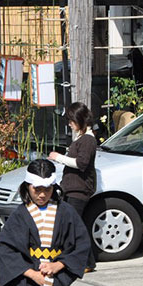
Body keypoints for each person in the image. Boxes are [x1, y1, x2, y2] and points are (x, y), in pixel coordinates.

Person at [49, 102, 98, 272]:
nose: (69, 123)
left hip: (79, 190)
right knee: (76, 225)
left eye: (72, 120)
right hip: (72, 188)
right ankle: (85, 260)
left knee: (75, 226)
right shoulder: (81, 138)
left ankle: (85, 261)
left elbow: (82, 163)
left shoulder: (88, 140)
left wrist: (58, 157)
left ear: (80, 120)